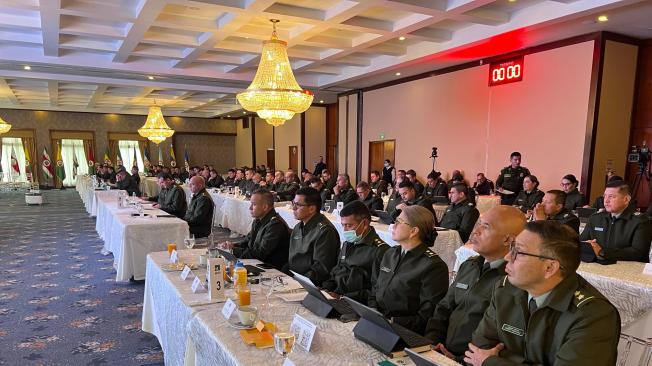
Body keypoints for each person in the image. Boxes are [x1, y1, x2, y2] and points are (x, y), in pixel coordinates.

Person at [466, 221, 620, 366]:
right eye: (511, 247)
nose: (507, 257)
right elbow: (480, 346)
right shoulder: (506, 288)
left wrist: (493, 362)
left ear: (549, 268)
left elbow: (484, 359)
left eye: (518, 252)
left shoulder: (593, 315)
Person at [424, 206, 526, 362]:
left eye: (485, 227)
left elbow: (499, 339)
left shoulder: (514, 280)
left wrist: (459, 359)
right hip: (439, 351)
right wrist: (432, 341)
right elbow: (444, 308)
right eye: (479, 224)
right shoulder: (470, 265)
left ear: (508, 240)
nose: (475, 231)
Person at [369, 206, 448, 333]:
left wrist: (392, 322)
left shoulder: (433, 266)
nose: (393, 225)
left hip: (403, 330)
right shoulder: (390, 253)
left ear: (413, 231)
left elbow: (427, 315)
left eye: (398, 222)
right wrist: (372, 310)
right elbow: (375, 287)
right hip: (378, 321)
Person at [322, 201, 389, 303]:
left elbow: (376, 290)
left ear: (365, 223)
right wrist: (325, 289)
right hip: (336, 296)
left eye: (349, 226)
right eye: (343, 225)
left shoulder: (380, 251)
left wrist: (344, 298)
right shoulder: (348, 243)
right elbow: (337, 271)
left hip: (355, 303)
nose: (345, 230)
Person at [580, 180, 652, 262]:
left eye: (611, 197)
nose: (606, 201)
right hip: (597, 265)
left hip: (627, 270)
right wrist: (587, 245)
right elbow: (581, 241)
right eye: (605, 196)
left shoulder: (641, 221)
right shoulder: (595, 218)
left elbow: (638, 252)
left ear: (626, 199)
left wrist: (602, 252)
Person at [286, 187, 341, 286]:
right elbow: (291, 260)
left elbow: (320, 270)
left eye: (298, 205)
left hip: (310, 285)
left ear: (312, 209)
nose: (293, 208)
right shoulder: (298, 227)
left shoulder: (325, 231)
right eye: (293, 203)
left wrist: (295, 282)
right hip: (294, 280)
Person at [224, 189, 290, 270]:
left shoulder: (276, 225)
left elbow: (259, 254)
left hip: (270, 268)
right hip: (256, 263)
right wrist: (233, 245)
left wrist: (233, 251)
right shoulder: (258, 220)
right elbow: (248, 240)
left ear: (265, 207)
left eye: (254, 204)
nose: (250, 208)